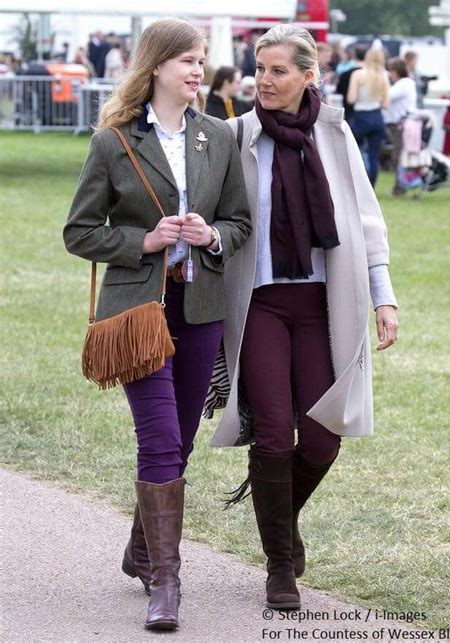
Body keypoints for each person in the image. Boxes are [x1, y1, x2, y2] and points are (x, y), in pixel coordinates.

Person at [63, 18, 251, 631]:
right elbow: (79, 231)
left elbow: (239, 222)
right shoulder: (113, 140)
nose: (198, 71)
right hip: (137, 315)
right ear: (156, 66)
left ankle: (141, 549)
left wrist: (211, 236)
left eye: (202, 60)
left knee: (181, 440)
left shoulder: (218, 136)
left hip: (200, 310)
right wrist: (141, 240)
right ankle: (165, 580)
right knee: (162, 439)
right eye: (187, 61)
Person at [207, 24, 399, 611]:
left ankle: (281, 522)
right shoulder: (235, 135)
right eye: (258, 69)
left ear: (308, 75)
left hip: (321, 305)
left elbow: (366, 222)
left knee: (321, 438)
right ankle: (279, 566)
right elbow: (214, 213)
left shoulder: (335, 134)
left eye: (278, 70)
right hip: (259, 304)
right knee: (272, 433)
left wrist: (382, 295)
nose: (264, 80)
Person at [347, 48, 390, 186]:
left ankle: (358, 181)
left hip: (361, 115)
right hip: (377, 116)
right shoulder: (384, 76)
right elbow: (386, 104)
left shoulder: (358, 75)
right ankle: (371, 186)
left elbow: (351, 99)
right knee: (373, 154)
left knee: (353, 149)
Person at [383, 57, 417, 196]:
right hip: (402, 123)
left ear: (396, 71)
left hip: (400, 125)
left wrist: (383, 82)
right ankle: (401, 186)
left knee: (398, 155)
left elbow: (387, 96)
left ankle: (400, 187)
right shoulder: (407, 83)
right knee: (399, 155)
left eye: (390, 71)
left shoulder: (403, 84)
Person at [336, 45, 366, 122]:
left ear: (354, 56)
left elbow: (339, 90)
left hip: (350, 112)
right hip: (369, 113)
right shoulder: (374, 75)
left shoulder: (346, 74)